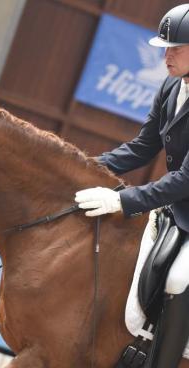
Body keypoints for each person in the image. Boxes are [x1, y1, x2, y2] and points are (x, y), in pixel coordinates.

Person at [75, 4, 189, 368]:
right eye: (164, 47)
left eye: (176, 48)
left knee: (177, 277)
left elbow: (186, 179)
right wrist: (81, 170)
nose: (166, 56)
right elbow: (142, 147)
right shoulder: (172, 86)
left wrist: (122, 200)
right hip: (176, 209)